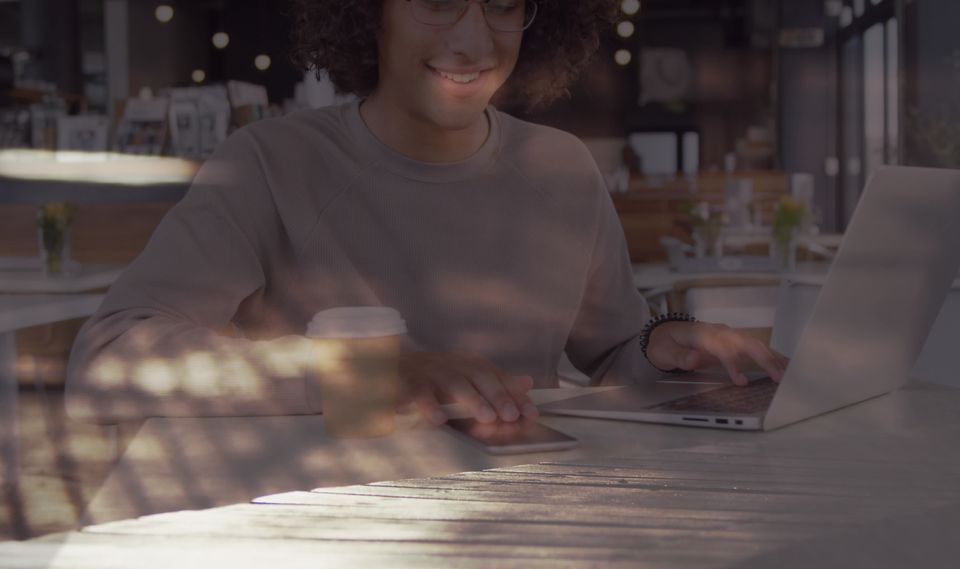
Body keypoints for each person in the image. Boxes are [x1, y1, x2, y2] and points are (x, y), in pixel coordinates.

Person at [66, 0, 786, 427]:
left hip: (537, 516)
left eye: (502, 0)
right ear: (369, 14)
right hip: (330, 519)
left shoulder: (562, 169)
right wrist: (373, 378)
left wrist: (664, 351)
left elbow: (611, 351)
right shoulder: (267, 164)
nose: (476, 42)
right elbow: (107, 360)